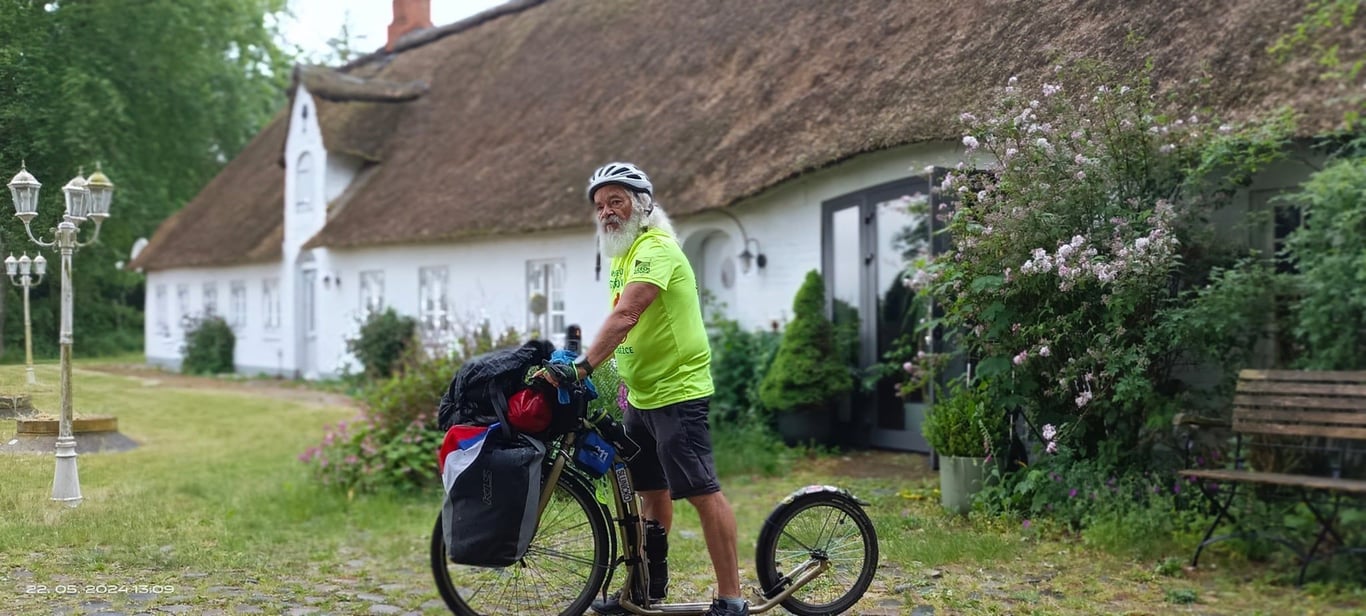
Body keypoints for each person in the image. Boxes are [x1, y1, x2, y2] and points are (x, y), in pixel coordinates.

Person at [539, 162, 747, 616]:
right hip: (641, 395)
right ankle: (646, 591)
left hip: (679, 393)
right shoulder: (622, 256)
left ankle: (731, 597)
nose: (607, 212)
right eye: (600, 205)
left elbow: (626, 316)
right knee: (650, 493)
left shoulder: (657, 249)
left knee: (700, 491)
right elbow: (621, 327)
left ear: (643, 204)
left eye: (617, 201)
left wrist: (583, 368)